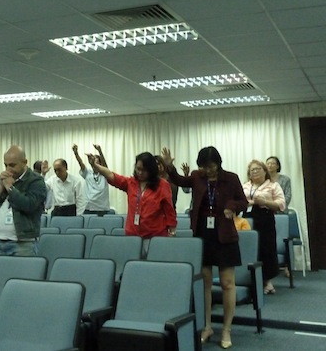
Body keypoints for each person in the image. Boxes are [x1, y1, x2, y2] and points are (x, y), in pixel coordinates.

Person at [161, 146, 247, 349]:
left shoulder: (231, 178)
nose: (207, 170)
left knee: (227, 284)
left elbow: (243, 202)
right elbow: (179, 181)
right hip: (203, 234)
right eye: (204, 166)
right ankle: (207, 326)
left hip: (225, 235)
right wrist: (169, 166)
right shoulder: (197, 177)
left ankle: (226, 329)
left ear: (218, 162)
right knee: (205, 283)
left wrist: (231, 207)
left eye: (211, 166)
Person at [87, 151, 176, 255]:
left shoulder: (162, 185)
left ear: (151, 170)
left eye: (144, 170)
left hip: (155, 236)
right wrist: (95, 165)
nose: (140, 173)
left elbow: (169, 210)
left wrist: (172, 231)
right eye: (138, 169)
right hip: (132, 236)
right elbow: (111, 175)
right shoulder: (131, 183)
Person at [0, 145, 46, 262]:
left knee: (22, 279)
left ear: (25, 162)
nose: (8, 169)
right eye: (5, 165)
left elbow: (29, 205)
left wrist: (10, 188)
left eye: (12, 165)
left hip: (24, 244)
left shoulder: (36, 181)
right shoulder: (1, 180)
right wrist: (0, 188)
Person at [242, 159, 285, 295]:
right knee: (250, 249)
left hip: (265, 219)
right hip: (247, 219)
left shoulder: (273, 185)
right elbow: (237, 201)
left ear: (265, 171)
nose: (255, 172)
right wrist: (246, 203)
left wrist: (265, 201)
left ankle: (266, 281)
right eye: (252, 170)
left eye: (258, 169)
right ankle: (251, 280)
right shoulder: (245, 186)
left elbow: (281, 204)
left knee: (265, 249)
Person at [73, 144, 110, 215]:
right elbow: (81, 164)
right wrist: (76, 153)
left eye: (96, 163)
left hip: (102, 208)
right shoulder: (88, 173)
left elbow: (105, 166)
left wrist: (100, 151)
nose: (94, 165)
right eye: (92, 163)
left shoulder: (104, 174)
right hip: (88, 207)